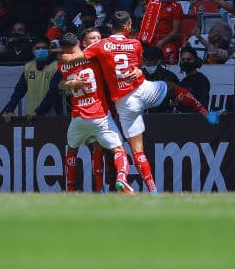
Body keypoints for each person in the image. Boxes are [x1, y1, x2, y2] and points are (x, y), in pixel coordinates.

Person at [61, 12, 223, 194]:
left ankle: (125, 186)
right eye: (92, 38)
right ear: (129, 26)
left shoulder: (99, 47)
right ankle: (205, 113)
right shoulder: (135, 43)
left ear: (108, 29)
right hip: (140, 91)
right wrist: (137, 70)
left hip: (123, 103)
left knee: (129, 149)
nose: (95, 40)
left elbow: (72, 59)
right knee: (170, 88)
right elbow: (134, 64)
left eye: (97, 37)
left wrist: (64, 58)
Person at [52, 31, 127, 193]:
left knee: (72, 150)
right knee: (118, 150)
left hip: (78, 116)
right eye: (93, 38)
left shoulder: (62, 64)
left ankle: (71, 190)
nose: (97, 41)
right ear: (80, 42)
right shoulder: (95, 57)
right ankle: (121, 178)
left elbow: (60, 84)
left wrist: (72, 82)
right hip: (99, 113)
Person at [0, 37, 63, 120]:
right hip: (32, 116)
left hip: (52, 117)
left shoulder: (57, 67)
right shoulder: (29, 67)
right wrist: (10, 110)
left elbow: (53, 93)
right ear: (32, 51)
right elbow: (19, 91)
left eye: (44, 48)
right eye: (37, 48)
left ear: (50, 51)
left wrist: (38, 112)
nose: (41, 50)